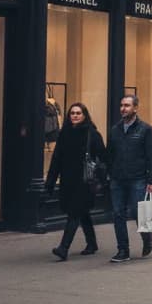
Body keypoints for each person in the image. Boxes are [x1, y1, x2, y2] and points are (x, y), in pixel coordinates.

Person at [44, 102, 106, 260]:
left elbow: (104, 157)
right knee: (82, 212)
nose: (75, 116)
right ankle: (92, 243)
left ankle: (63, 248)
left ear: (84, 115)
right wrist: (50, 182)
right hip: (68, 181)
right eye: (72, 113)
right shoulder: (64, 134)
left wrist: (103, 179)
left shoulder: (92, 134)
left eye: (78, 113)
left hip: (85, 182)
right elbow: (56, 159)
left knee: (74, 213)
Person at [106, 94, 152, 263]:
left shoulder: (145, 129)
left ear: (135, 108)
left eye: (127, 105)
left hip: (138, 179)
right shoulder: (115, 130)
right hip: (118, 179)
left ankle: (146, 236)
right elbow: (110, 154)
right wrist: (109, 173)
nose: (123, 108)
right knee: (118, 214)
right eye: (122, 105)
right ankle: (123, 250)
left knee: (137, 213)